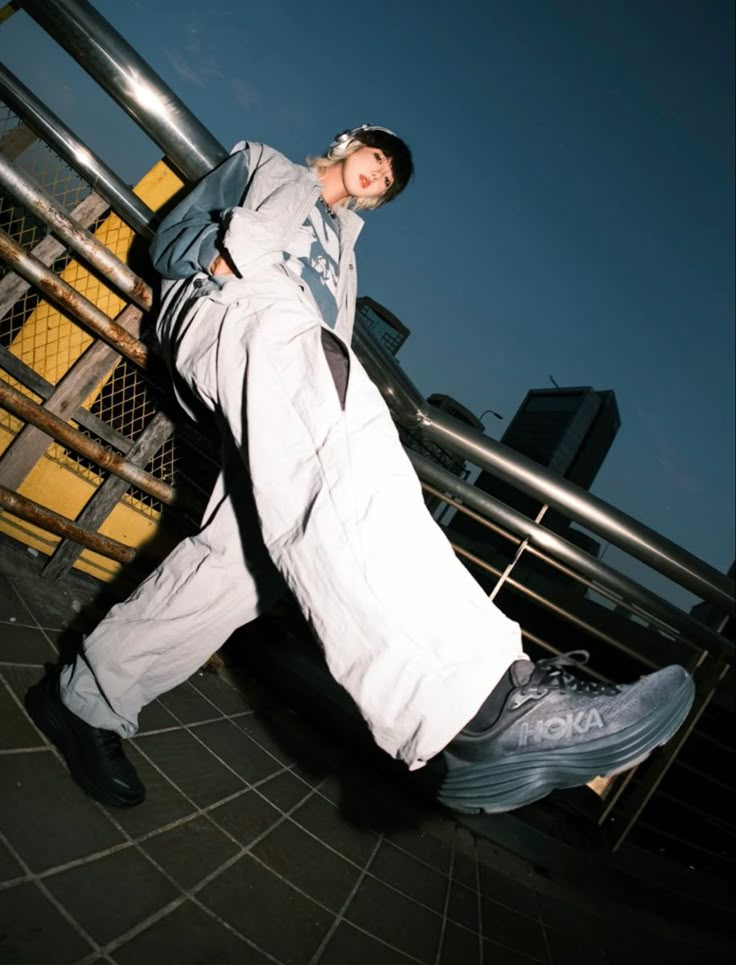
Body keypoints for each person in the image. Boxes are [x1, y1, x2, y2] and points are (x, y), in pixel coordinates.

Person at [25, 125, 694, 814]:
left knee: (241, 563)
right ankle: (481, 707)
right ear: (350, 143)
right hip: (242, 309)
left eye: (389, 180)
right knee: (341, 465)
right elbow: (169, 241)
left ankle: (86, 701)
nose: (379, 175)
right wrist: (216, 256)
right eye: (378, 157)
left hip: (292, 352)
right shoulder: (263, 165)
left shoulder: (344, 257)